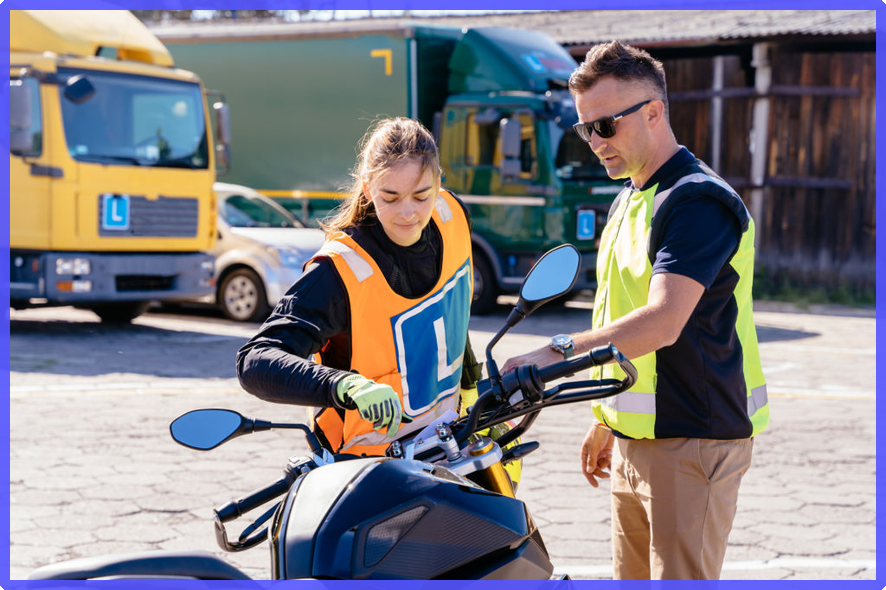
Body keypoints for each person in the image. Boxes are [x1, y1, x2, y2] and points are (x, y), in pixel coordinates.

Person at [503, 40, 769, 580]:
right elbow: (619, 316)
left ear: (653, 112)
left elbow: (663, 321)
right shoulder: (631, 196)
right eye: (585, 129)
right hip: (637, 438)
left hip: (692, 438)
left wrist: (555, 352)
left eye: (606, 126)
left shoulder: (697, 201)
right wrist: (606, 417)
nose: (595, 143)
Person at [236, 117, 483, 458]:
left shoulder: (452, 215)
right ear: (367, 188)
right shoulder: (341, 270)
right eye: (390, 197)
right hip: (368, 469)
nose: (408, 213)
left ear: (439, 182)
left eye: (421, 195)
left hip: (449, 446)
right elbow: (254, 361)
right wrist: (343, 385)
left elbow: (449, 309)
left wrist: (472, 388)